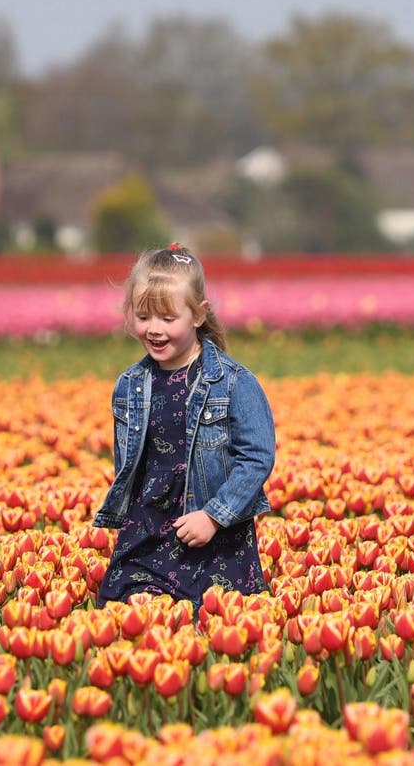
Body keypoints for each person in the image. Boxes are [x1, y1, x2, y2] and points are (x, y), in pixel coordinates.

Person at [93, 243, 275, 606]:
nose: (154, 330)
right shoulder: (129, 387)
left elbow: (257, 457)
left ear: (197, 315)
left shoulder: (234, 382)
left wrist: (214, 516)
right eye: (143, 317)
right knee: (127, 613)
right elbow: (127, 466)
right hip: (146, 533)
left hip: (213, 538)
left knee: (209, 616)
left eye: (167, 318)